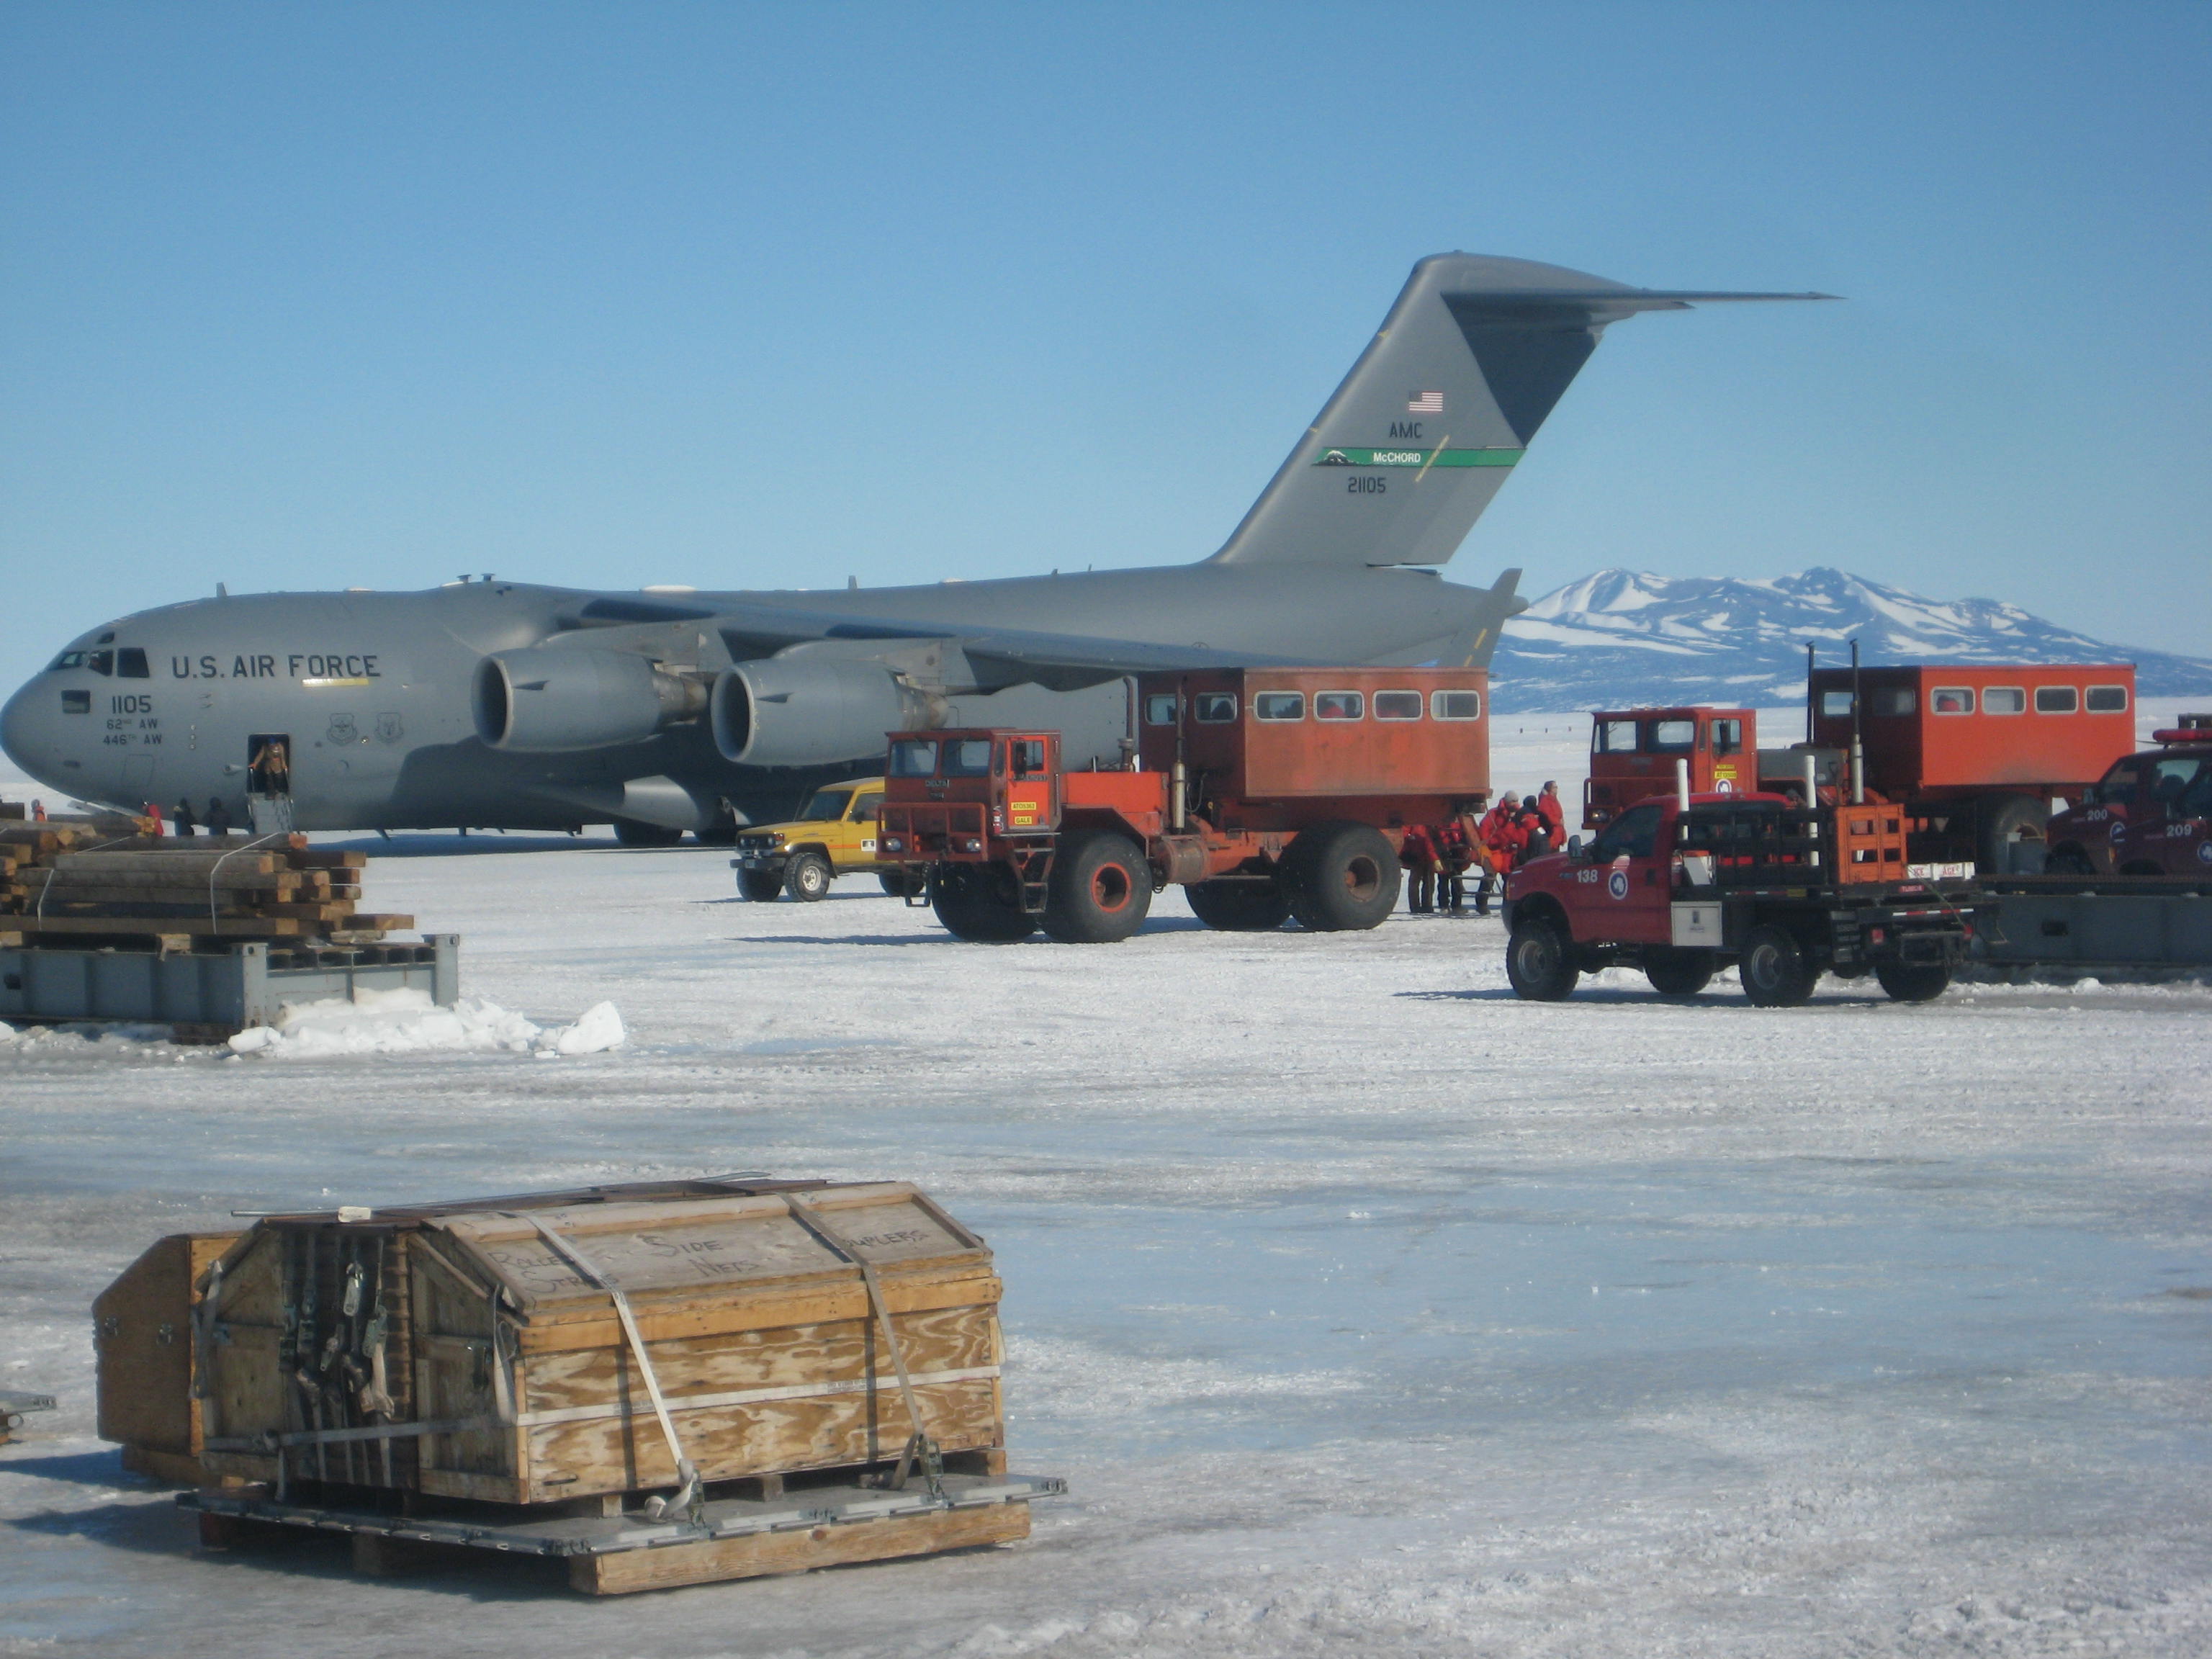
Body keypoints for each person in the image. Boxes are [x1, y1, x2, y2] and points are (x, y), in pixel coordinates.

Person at [1435, 810, 1474, 914]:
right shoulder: (1443, 820)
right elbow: (1438, 834)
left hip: (1457, 851)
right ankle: (1445, 905)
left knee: (1456, 879)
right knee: (1444, 879)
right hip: (1445, 851)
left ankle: (1456, 905)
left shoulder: (1460, 820)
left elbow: (1466, 834)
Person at [1399, 822, 1438, 914]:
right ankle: (1420, 906)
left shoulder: (1422, 823)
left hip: (1423, 853)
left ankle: (1422, 906)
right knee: (1420, 881)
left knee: (1426, 881)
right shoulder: (1418, 822)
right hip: (1418, 853)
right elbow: (1404, 833)